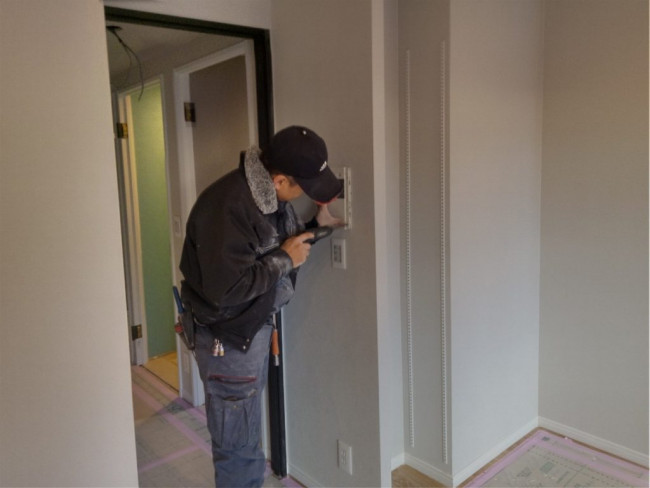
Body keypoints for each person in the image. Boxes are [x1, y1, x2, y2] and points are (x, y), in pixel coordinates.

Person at [179, 126, 343, 487]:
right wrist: (285, 260)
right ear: (279, 180)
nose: (302, 195)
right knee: (238, 449)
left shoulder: (268, 199)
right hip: (226, 341)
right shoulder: (227, 207)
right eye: (302, 187)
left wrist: (316, 227)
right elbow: (226, 289)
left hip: (248, 332)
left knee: (245, 436)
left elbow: (273, 246)